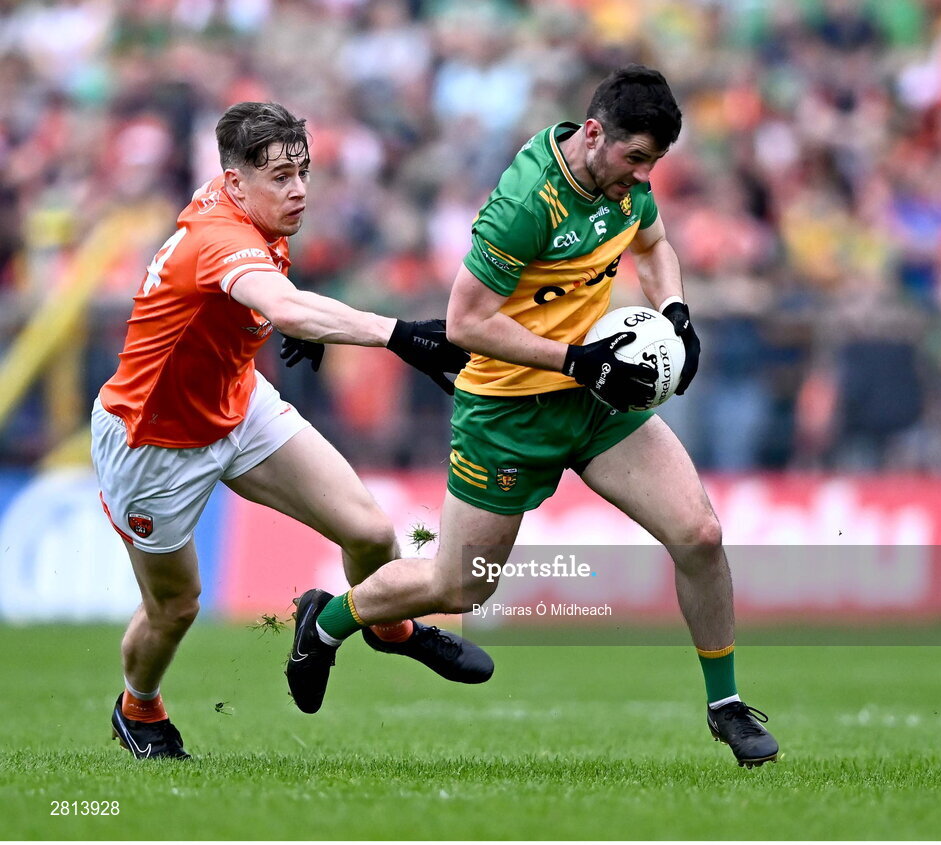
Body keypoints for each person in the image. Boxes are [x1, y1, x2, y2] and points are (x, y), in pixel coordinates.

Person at [287, 65, 780, 767]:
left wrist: (676, 316)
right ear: (593, 132)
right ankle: (326, 619)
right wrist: (577, 359)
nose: (641, 177)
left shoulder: (628, 187)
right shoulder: (528, 202)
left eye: (653, 163)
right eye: (634, 158)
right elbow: (464, 323)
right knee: (458, 585)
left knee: (699, 532)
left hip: (596, 396)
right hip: (508, 411)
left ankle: (725, 704)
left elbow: (655, 245)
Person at [93, 101, 493, 760]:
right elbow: (273, 296)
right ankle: (139, 707)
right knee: (175, 606)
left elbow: (265, 295)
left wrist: (285, 325)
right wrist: (400, 335)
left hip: (239, 402)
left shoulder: (247, 211)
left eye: (303, 171)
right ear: (234, 180)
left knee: (368, 530)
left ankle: (388, 625)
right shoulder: (219, 234)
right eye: (280, 176)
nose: (299, 188)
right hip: (152, 441)